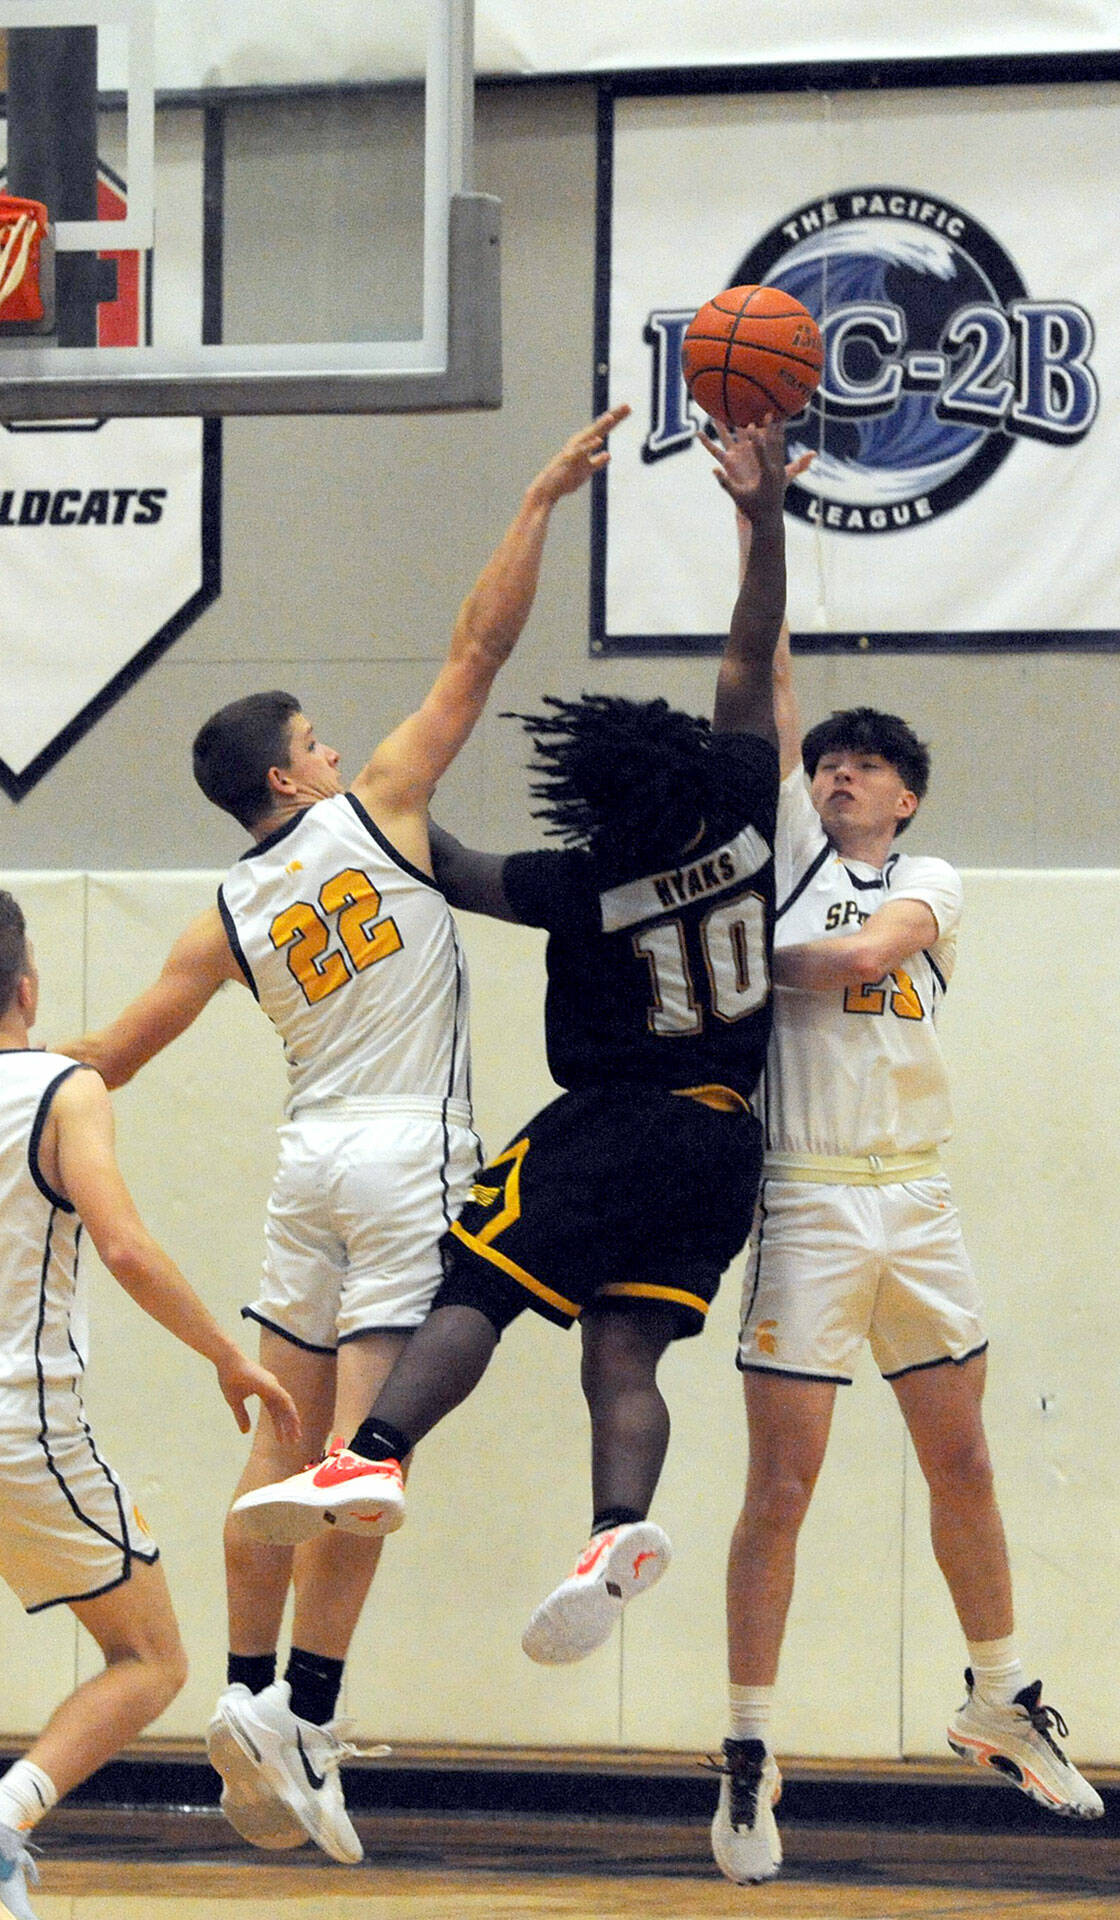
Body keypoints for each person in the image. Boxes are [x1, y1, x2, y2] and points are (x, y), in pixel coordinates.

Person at [59, 404, 631, 1867]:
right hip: (402, 1153)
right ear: (293, 779)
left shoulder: (229, 915)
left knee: (280, 1430)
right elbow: (479, 649)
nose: (334, 747)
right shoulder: (380, 806)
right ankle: (307, 1715)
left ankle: (248, 1696)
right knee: (372, 1458)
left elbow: (107, 1057)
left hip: (302, 1160)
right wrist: (538, 503)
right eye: (315, 740)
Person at [230, 420, 791, 1673]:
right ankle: (614, 1528)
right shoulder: (747, 806)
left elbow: (433, 857)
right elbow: (750, 653)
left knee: (476, 1282)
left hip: (614, 1122)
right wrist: (761, 523)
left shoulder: (573, 880)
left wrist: (359, 805)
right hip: (724, 1144)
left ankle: (367, 1455)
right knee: (625, 1345)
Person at [704, 436, 1102, 1885]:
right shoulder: (790, 858)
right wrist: (768, 525)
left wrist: (739, 966)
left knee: (969, 1460)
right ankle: (749, 1748)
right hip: (810, 1203)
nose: (842, 773)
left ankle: (996, 1698)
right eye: (828, 765)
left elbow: (862, 957)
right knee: (782, 1492)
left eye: (869, 767)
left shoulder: (924, 884)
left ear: (909, 799)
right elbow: (770, 682)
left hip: (918, 1197)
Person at [0, 886, 298, 1920]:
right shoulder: (65, 1089)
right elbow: (127, 1248)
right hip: (14, 1414)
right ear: (27, 985)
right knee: (151, 1658)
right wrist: (227, 1353)